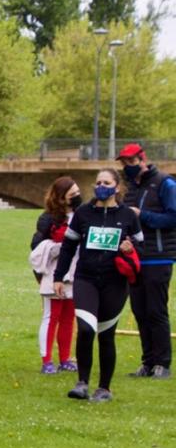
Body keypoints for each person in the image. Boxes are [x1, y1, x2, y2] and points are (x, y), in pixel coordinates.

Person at [54, 169, 143, 403]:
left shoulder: (128, 216)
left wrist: (130, 249)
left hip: (115, 283)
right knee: (85, 330)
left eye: (106, 182)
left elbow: (142, 248)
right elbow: (68, 247)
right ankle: (82, 383)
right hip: (86, 279)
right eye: (98, 182)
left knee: (106, 335)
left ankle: (104, 388)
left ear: (117, 187)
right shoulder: (83, 213)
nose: (101, 186)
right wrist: (58, 276)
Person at [119, 143, 175, 380]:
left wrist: (144, 216)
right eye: (124, 163)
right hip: (136, 258)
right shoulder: (131, 188)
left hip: (158, 257)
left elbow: (173, 217)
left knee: (156, 311)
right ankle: (147, 361)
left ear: (143, 159)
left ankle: (163, 363)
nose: (127, 167)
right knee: (139, 310)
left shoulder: (165, 183)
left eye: (131, 162)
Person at [30, 177, 81, 374]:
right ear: (61, 197)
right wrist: (58, 248)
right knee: (51, 316)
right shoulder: (48, 219)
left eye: (78, 193)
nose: (77, 197)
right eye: (72, 195)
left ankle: (65, 358)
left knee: (69, 318)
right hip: (54, 274)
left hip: (76, 273)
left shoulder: (81, 215)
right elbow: (36, 248)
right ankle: (47, 360)